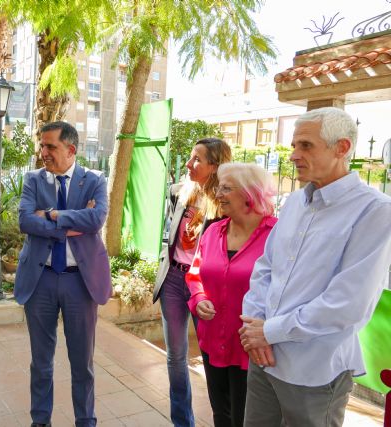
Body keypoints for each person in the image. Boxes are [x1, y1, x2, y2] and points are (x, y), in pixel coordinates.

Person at [240, 107, 391, 427]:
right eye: (294, 145)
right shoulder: (295, 202)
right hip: (263, 359)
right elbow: (266, 269)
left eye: (305, 145)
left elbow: (348, 303)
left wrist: (267, 332)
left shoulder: (375, 211)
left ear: (342, 148)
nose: (294, 155)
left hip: (314, 371)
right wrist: (256, 327)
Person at [15, 121, 111, 427]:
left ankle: (86, 421)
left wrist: (53, 215)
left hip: (79, 282)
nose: (43, 152)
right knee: (41, 363)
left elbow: (96, 220)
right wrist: (70, 225)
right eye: (41, 145)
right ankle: (40, 420)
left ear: (71, 149)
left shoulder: (94, 180)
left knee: (82, 363)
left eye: (50, 146)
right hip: (40, 278)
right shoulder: (33, 180)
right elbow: (26, 222)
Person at [185, 163, 276, 427]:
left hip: (253, 346)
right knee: (221, 415)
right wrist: (199, 298)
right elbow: (195, 274)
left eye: (226, 188)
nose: (218, 194)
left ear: (249, 194)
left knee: (246, 418)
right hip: (213, 339)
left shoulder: (276, 235)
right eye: (218, 187)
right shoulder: (214, 231)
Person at [153, 138, 232, 427]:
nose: (189, 164)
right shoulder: (178, 193)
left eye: (197, 159)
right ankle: (182, 423)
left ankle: (222, 419)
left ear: (215, 166)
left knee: (212, 359)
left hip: (205, 287)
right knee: (175, 358)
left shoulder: (225, 205)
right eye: (190, 157)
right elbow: (170, 237)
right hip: (173, 280)